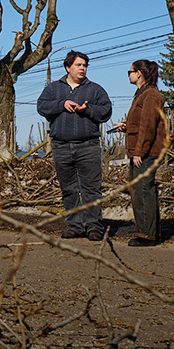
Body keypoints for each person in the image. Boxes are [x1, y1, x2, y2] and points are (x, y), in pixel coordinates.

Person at [37, 51, 112, 241]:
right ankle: (75, 226)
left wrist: (88, 110)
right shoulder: (53, 89)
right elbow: (41, 106)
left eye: (85, 65)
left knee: (91, 189)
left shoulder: (95, 89)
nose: (82, 68)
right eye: (78, 65)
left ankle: (93, 227)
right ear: (68, 67)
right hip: (61, 146)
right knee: (68, 189)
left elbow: (106, 111)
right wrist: (61, 104)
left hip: (88, 146)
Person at [113, 59, 166, 247]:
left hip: (146, 152)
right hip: (143, 151)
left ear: (139, 73)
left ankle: (146, 235)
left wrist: (139, 152)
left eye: (130, 72)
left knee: (142, 190)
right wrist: (127, 126)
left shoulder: (150, 95)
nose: (128, 75)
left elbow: (148, 126)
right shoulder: (142, 94)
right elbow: (141, 123)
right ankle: (151, 232)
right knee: (143, 189)